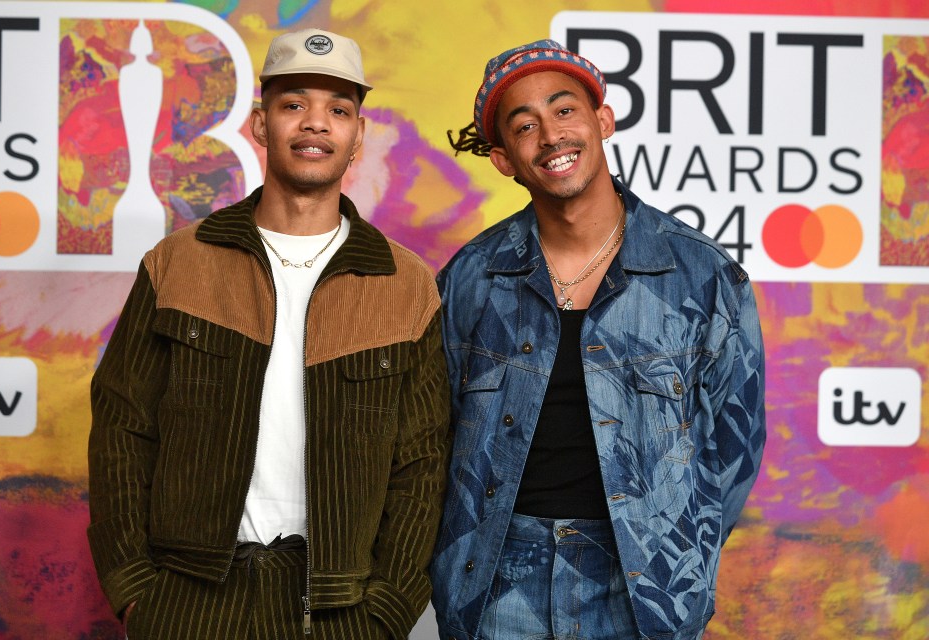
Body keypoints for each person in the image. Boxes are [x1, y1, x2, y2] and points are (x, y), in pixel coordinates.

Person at [88, 28, 450, 640]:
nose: (316, 124)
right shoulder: (179, 262)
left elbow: (424, 463)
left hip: (339, 608)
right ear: (260, 125)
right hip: (188, 600)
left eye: (338, 110)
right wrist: (135, 591)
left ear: (357, 136)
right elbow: (123, 427)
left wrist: (389, 608)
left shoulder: (404, 283)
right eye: (294, 105)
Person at [431, 39, 766, 640]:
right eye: (524, 125)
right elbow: (435, 437)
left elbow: (733, 451)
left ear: (602, 121)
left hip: (642, 588)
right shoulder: (472, 278)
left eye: (565, 111)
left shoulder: (702, 276)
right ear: (504, 159)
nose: (551, 136)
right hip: (497, 583)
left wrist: (680, 556)